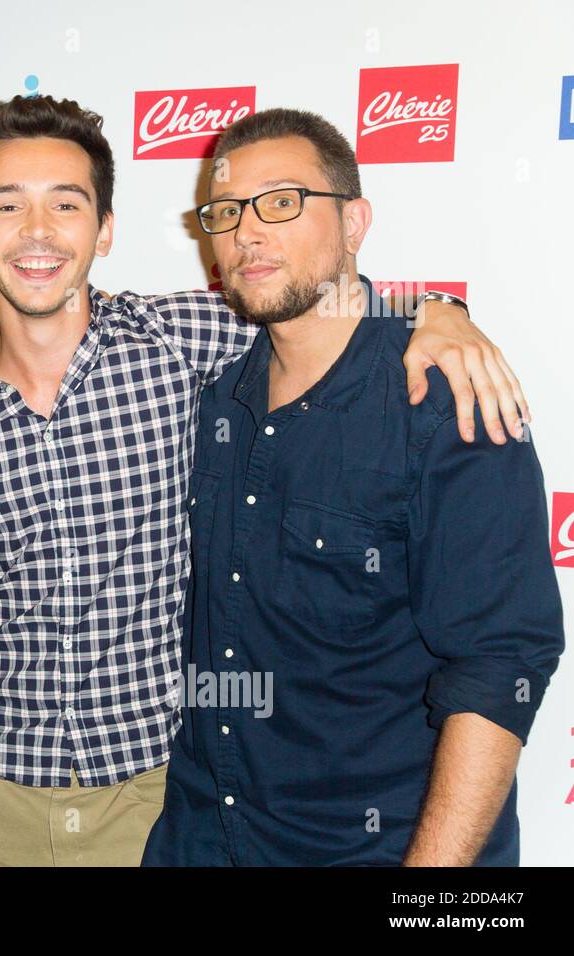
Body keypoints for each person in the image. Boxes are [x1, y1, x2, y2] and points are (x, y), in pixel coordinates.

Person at [0, 95, 530, 866]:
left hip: (159, 794)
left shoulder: (181, 337)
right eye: (8, 207)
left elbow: (319, 303)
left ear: (106, 229)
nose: (38, 232)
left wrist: (437, 312)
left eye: (67, 204)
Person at [141, 109, 563, 866]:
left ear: (355, 221)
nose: (248, 232)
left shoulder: (447, 399)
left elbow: (501, 665)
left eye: (282, 202)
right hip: (206, 836)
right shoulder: (209, 399)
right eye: (226, 211)